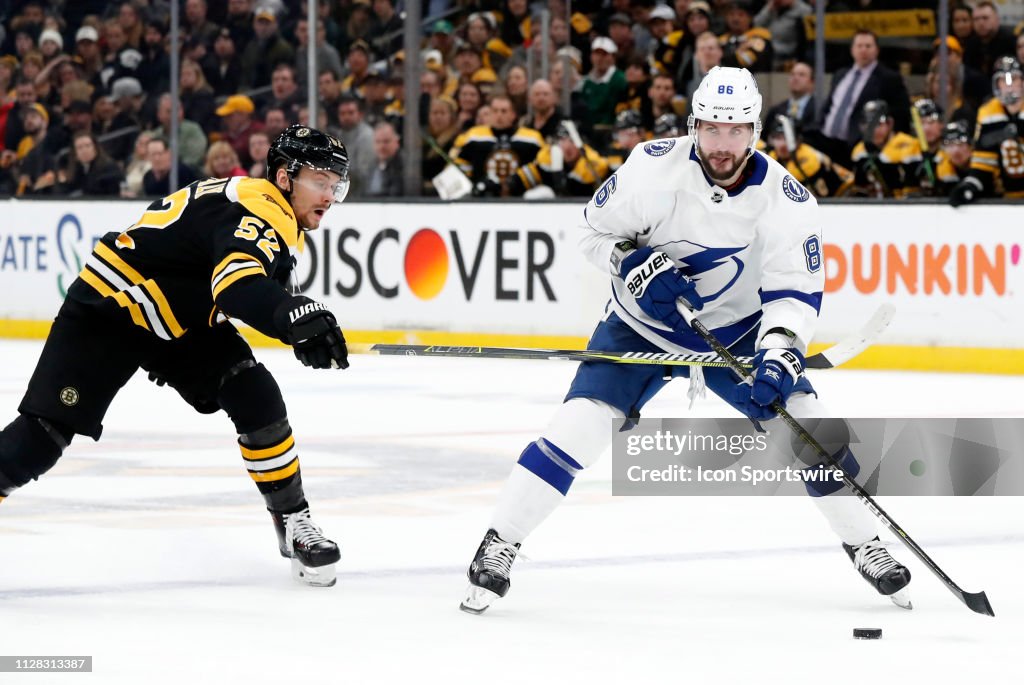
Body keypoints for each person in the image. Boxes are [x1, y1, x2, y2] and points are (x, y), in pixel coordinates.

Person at [459, 66, 911, 615]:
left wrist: (780, 353)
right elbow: (590, 230)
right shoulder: (651, 170)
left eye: (736, 130)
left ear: (756, 131)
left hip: (737, 334)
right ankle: (500, 541)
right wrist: (631, 262)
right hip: (640, 324)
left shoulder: (787, 201)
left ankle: (867, 543)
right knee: (578, 426)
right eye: (712, 129)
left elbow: (794, 291)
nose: (723, 145)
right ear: (693, 125)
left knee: (810, 427)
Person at [0, 125, 351, 587]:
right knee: (41, 439)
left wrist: (294, 322)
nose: (330, 195)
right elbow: (237, 286)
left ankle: (292, 521)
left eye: (336, 184)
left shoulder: (267, 209)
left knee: (254, 392)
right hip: (114, 307)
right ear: (285, 177)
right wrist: (293, 315)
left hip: (177, 316)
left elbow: (230, 284)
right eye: (320, 181)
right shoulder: (262, 210)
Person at [951, 56, 1024, 206]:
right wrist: (970, 185)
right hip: (1008, 199)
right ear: (996, 84)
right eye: (1003, 80)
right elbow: (983, 163)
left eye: (1014, 79)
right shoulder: (988, 112)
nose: (1009, 86)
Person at [849, 100, 924, 199]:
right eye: (869, 125)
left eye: (879, 124)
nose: (874, 131)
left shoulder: (908, 144)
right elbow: (860, 190)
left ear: (890, 123)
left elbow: (913, 190)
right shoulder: (859, 151)